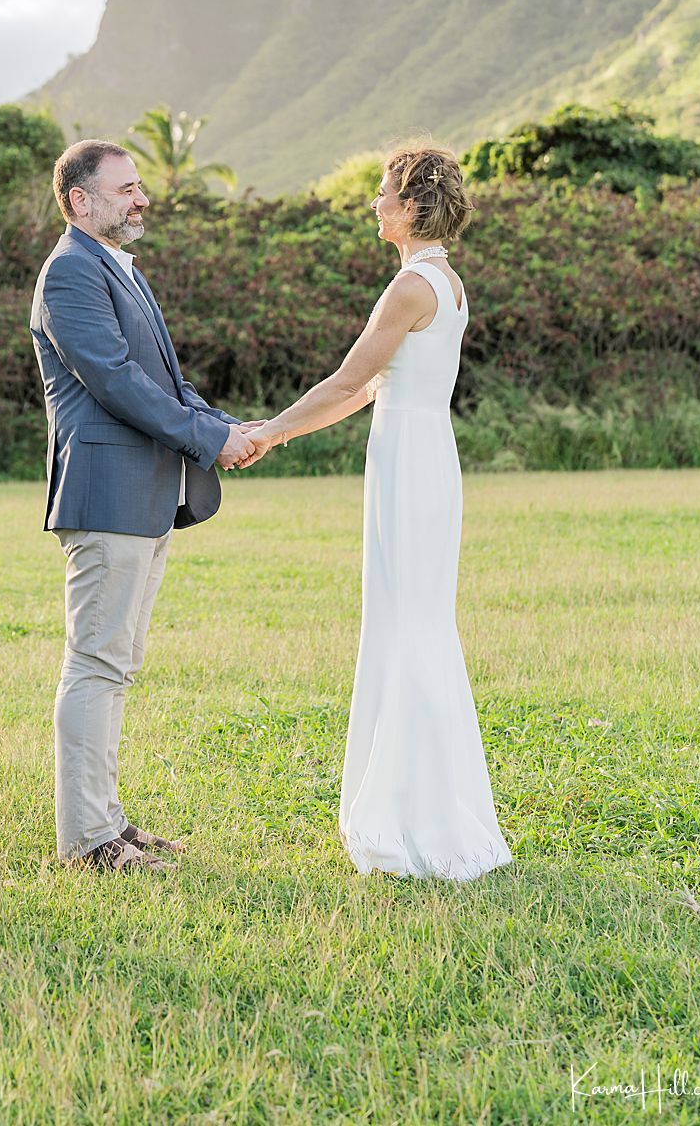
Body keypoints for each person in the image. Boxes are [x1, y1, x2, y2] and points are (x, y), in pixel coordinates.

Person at [239, 145, 512, 881]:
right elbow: (364, 392)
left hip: (411, 463)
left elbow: (344, 381)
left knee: (411, 623)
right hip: (419, 455)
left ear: (414, 207)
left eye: (385, 193)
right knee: (411, 619)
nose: (374, 204)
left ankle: (419, 818)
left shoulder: (413, 288)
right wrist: (284, 427)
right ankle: (421, 802)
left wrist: (266, 431)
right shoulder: (445, 282)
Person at [30, 141, 254, 873]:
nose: (140, 199)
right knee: (96, 665)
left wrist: (225, 427)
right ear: (79, 201)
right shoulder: (69, 271)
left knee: (115, 667)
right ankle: (89, 844)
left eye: (138, 187)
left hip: (144, 495)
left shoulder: (116, 266)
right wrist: (209, 440)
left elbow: (164, 379)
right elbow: (117, 382)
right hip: (107, 496)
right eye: (125, 189)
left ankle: (108, 823)